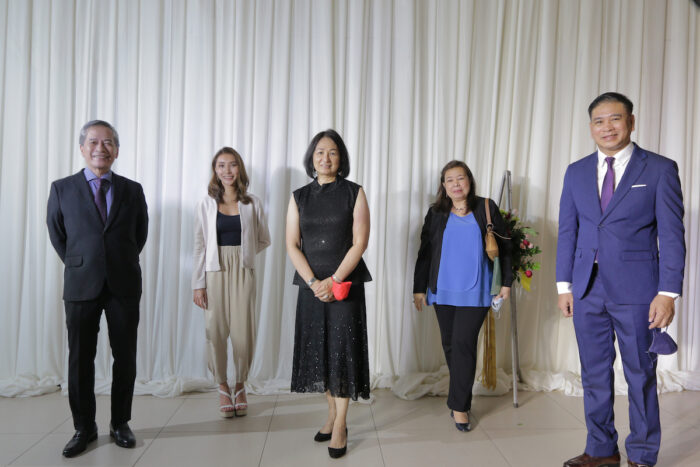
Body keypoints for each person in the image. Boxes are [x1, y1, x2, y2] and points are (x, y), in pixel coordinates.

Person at [556, 92, 685, 467]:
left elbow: (672, 236)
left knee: (640, 375)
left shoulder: (659, 169)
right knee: (593, 374)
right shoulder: (576, 171)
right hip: (587, 291)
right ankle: (601, 449)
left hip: (639, 292)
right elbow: (568, 232)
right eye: (599, 121)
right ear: (590, 127)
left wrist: (668, 293)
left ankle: (642, 454)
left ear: (631, 121)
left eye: (615, 119)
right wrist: (565, 286)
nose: (607, 127)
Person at [47, 120, 148, 457]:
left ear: (116, 150)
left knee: (125, 358)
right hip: (80, 283)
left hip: (123, 283)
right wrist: (82, 261)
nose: (100, 148)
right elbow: (58, 234)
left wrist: (117, 260)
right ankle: (83, 427)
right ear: (82, 148)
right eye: (93, 142)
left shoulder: (132, 190)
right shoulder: (62, 188)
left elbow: (140, 234)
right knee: (80, 360)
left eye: (107, 143)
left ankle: (120, 423)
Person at [285, 129, 372, 459]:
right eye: (320, 152)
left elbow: (360, 242)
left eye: (333, 152)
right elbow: (292, 244)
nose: (326, 158)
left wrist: (333, 280)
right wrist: (313, 282)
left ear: (341, 158)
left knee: (342, 353)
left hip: (344, 286)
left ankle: (340, 426)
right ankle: (333, 415)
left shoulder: (355, 192)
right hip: (311, 288)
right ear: (311, 158)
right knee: (321, 352)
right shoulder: (299, 197)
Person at [413, 160, 512, 432]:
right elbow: (425, 253)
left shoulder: (486, 207)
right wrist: (419, 288)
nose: (456, 184)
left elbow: (505, 248)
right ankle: (459, 396)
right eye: (450, 180)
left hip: (477, 290)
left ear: (469, 180)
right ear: (443, 186)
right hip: (442, 288)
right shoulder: (436, 213)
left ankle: (460, 407)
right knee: (450, 344)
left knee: (463, 343)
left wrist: (506, 283)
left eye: (460, 178)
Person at [192, 147, 270, 418]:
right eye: (221, 165)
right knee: (215, 330)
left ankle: (240, 385)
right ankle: (222, 385)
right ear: (215, 170)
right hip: (214, 270)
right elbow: (200, 245)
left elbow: (264, 238)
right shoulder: (205, 204)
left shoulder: (252, 203)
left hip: (243, 270)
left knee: (242, 332)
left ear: (240, 169)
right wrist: (197, 283)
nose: (227, 171)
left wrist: (243, 256)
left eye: (232, 165)